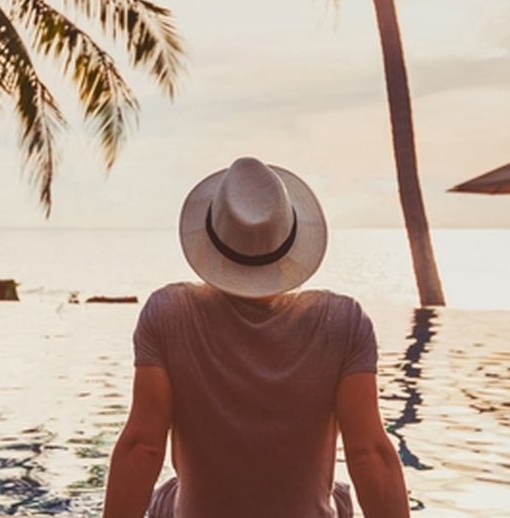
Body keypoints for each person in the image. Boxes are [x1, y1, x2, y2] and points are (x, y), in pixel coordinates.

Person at [101, 157, 410, 518]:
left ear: (211, 239)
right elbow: (369, 453)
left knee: (166, 496)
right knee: (340, 497)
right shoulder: (342, 323)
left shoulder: (169, 314)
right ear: (290, 240)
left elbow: (143, 448)